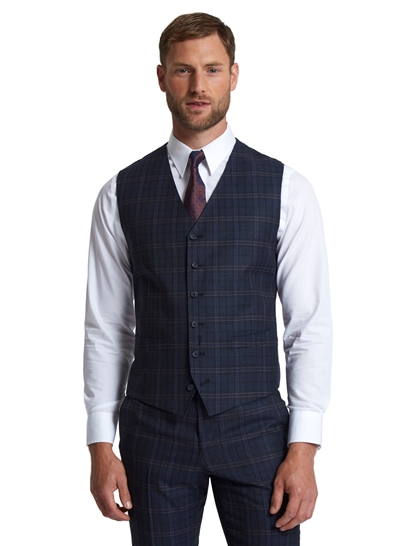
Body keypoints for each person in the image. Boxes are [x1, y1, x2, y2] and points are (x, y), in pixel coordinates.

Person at [84, 12, 332, 546]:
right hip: (154, 436)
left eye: (212, 69)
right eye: (183, 70)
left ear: (234, 75)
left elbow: (307, 325)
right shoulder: (119, 193)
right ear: (161, 77)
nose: (198, 86)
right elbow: (107, 328)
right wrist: (101, 444)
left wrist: (304, 448)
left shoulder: (286, 189)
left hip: (258, 434)